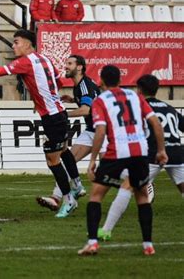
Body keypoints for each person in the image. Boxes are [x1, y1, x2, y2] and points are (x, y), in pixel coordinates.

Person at [0, 29, 79, 218]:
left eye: (16, 42)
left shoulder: (25, 62)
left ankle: (68, 199)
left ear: (27, 44)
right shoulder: (45, 59)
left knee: (53, 159)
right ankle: (76, 186)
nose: (13, 45)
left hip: (53, 118)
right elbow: (56, 82)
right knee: (62, 151)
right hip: (58, 113)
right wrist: (43, 99)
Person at [78, 65, 167, 256]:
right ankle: (148, 245)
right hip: (140, 152)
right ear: (120, 80)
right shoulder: (136, 97)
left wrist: (93, 159)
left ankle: (93, 242)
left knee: (96, 195)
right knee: (142, 197)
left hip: (115, 153)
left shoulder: (100, 101)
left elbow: (100, 131)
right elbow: (155, 123)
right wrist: (160, 150)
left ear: (101, 81)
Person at [97, 74, 184, 241]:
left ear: (139, 89)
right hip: (177, 152)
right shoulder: (169, 107)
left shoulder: (139, 105)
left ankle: (106, 230)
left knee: (126, 187)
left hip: (154, 153)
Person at [37, 55, 102, 211]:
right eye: (66, 63)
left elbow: (86, 109)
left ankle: (143, 182)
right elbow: (91, 101)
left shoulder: (84, 85)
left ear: (79, 67)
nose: (66, 66)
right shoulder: (80, 85)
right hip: (92, 130)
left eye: (70, 64)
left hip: (104, 133)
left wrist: (62, 115)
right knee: (68, 162)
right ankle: (56, 198)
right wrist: (73, 99)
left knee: (112, 170)